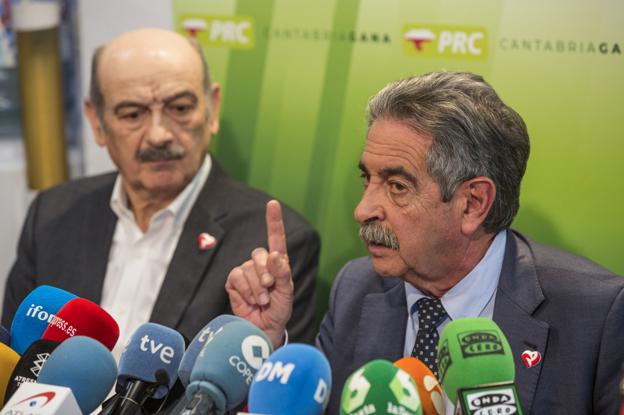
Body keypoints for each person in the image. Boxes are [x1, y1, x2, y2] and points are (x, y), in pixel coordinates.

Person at [225, 72, 624, 414]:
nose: (363, 210)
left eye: (397, 186)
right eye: (368, 179)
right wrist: (267, 341)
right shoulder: (357, 287)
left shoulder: (596, 316)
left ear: (473, 203)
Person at [1, 28, 320, 357]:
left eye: (180, 108)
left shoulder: (271, 247)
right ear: (96, 122)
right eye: (132, 114)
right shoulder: (53, 214)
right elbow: (10, 359)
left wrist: (266, 342)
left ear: (212, 107)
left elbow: (283, 392)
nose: (158, 135)